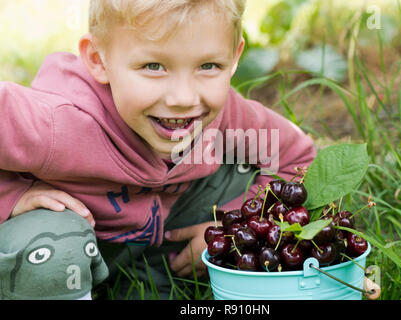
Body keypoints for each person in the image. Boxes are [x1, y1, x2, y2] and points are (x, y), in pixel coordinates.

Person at [0, 0, 316, 299]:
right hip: (68, 239)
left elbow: (296, 157)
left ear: (234, 57)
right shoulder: (57, 123)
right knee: (50, 250)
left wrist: (236, 225)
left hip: (153, 243)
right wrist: (11, 196)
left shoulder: (224, 114)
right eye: (154, 66)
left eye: (208, 65)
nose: (183, 97)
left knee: (243, 171)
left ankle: (146, 283)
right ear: (99, 60)